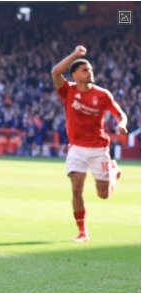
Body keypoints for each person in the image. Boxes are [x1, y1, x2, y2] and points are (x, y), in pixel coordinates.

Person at [51, 45, 128, 242]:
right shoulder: (67, 90)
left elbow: (120, 114)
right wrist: (75, 54)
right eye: (85, 70)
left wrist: (121, 124)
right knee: (76, 188)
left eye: (91, 70)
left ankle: (113, 171)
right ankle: (82, 231)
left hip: (98, 148)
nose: (90, 72)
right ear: (75, 74)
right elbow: (55, 72)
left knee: (103, 195)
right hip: (76, 147)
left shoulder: (102, 94)